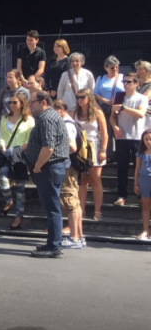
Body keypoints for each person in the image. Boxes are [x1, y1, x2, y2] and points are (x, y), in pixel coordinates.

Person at [25, 90, 69, 258]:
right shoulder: (50, 117)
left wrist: (37, 166)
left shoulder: (47, 119)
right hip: (51, 167)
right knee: (51, 207)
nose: (31, 106)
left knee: (52, 208)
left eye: (33, 102)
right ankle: (52, 243)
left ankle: (54, 245)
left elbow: (48, 147)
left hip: (48, 167)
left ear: (43, 102)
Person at [110, 75, 147, 206]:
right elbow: (112, 117)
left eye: (128, 82)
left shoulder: (142, 98)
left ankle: (143, 195)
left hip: (137, 137)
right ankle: (121, 196)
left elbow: (141, 114)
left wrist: (123, 108)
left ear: (137, 83)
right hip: (122, 137)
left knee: (141, 167)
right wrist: (114, 126)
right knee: (122, 167)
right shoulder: (120, 96)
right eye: (124, 81)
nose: (125, 84)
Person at [52, 100, 84, 249]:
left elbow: (72, 146)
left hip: (68, 167)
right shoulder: (68, 122)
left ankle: (75, 238)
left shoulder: (66, 124)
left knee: (70, 202)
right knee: (74, 202)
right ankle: (79, 236)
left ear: (60, 109)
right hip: (69, 166)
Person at [74, 88, 108, 221]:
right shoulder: (74, 112)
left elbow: (104, 133)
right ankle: (81, 209)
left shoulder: (97, 112)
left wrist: (104, 150)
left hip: (94, 145)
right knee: (82, 180)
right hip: (80, 147)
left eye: (82, 97)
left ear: (89, 98)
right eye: (78, 97)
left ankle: (97, 210)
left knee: (95, 179)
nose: (80, 100)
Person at [94, 55, 125, 159]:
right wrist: (105, 100)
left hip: (120, 108)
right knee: (106, 130)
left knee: (120, 130)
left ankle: (121, 154)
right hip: (105, 108)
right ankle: (109, 153)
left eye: (117, 67)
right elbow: (96, 93)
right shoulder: (101, 78)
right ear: (106, 67)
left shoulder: (123, 78)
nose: (115, 69)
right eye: (112, 68)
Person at [134, 129, 151, 240]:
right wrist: (136, 184)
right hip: (144, 181)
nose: (149, 141)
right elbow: (137, 169)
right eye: (146, 139)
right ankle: (145, 230)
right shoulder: (140, 154)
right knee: (145, 206)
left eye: (150, 139)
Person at [134, 60, 151, 129]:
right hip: (135, 112)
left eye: (141, 69)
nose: (138, 71)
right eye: (137, 69)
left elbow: (146, 97)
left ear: (148, 71)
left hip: (147, 114)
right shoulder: (135, 83)